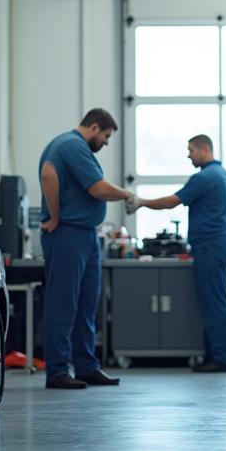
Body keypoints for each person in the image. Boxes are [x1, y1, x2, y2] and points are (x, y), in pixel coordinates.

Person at [39, 108, 136, 389]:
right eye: (105, 136)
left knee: (85, 304)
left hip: (85, 236)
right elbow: (89, 186)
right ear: (94, 127)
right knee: (63, 303)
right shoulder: (72, 145)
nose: (105, 143)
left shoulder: (74, 147)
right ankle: (57, 371)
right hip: (68, 234)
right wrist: (128, 193)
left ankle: (85, 365)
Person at [129, 134, 226, 372]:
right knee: (216, 301)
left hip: (209, 247)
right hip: (221, 244)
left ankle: (220, 359)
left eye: (191, 150)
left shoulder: (204, 178)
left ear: (204, 150)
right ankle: (215, 356)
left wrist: (141, 202)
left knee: (213, 303)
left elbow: (172, 201)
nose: (188, 155)